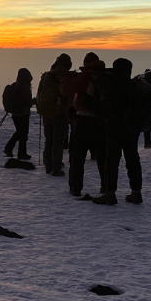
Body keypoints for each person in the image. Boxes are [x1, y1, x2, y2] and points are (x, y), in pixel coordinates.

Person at [95, 58, 144, 205]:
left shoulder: (111, 87)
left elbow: (103, 108)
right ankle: (136, 193)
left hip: (114, 128)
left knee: (111, 160)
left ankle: (110, 194)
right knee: (133, 159)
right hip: (132, 128)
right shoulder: (135, 86)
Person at [66, 52, 106, 197]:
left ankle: (75, 188)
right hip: (102, 121)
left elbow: (66, 90)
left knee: (78, 155)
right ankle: (106, 186)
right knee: (103, 157)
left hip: (83, 120)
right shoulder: (106, 77)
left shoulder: (84, 78)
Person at [37, 54, 74, 176]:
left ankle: (48, 164)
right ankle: (57, 167)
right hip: (59, 113)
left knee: (49, 139)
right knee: (58, 141)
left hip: (46, 112)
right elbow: (67, 95)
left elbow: (39, 93)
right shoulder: (64, 78)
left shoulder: (46, 76)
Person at [2, 68, 34, 159]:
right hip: (23, 113)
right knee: (23, 133)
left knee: (20, 132)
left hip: (15, 114)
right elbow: (27, 101)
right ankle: (21, 153)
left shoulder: (15, 86)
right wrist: (34, 102)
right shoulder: (25, 87)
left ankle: (10, 149)